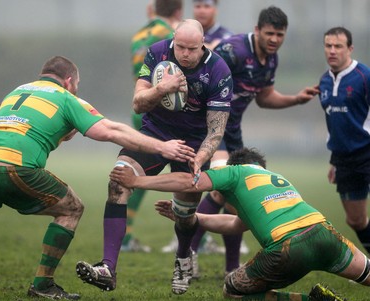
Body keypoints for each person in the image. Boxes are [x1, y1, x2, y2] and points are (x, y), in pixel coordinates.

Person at [0, 55, 196, 300]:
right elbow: (111, 130)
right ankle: (43, 285)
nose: (76, 89)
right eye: (76, 85)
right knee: (71, 208)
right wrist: (162, 148)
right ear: (69, 81)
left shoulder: (18, 91)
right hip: (15, 167)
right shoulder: (67, 98)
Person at [76, 19, 233, 295]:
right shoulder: (157, 52)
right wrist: (162, 88)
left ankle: (183, 256)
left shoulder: (219, 71)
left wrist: (201, 157)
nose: (185, 54)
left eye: (192, 49)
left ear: (203, 44)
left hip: (194, 144)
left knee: (184, 215)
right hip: (154, 134)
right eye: (180, 47)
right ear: (173, 39)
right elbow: (138, 103)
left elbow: (216, 129)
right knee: (117, 183)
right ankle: (107, 268)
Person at [110, 147, 368, 301]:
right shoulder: (275, 178)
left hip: (288, 246)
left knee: (232, 290)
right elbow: (236, 224)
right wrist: (195, 218)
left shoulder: (236, 172)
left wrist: (137, 182)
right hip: (324, 232)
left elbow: (189, 181)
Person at [185, 5, 320, 279]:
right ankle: (188, 255)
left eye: (280, 35)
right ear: (257, 30)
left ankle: (230, 267)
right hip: (208, 129)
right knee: (222, 188)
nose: (274, 40)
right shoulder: (233, 51)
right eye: (269, 33)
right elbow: (200, 77)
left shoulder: (270, 60)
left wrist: (295, 98)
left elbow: (264, 97)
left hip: (232, 132)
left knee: (238, 197)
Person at [161, 0, 237, 256]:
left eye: (208, 5)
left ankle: (216, 248)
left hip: (220, 121)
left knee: (223, 183)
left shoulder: (227, 40)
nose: (202, 9)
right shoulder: (177, 39)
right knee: (213, 183)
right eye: (198, 5)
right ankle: (192, 240)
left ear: (216, 8)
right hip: (189, 127)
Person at [125, 0, 183, 253]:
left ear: (153, 9)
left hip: (141, 106)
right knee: (186, 170)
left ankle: (125, 236)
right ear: (179, 12)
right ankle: (196, 237)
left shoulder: (139, 35)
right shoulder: (172, 35)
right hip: (166, 111)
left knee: (137, 173)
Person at [318, 26, 370, 255]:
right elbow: (334, 124)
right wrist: (334, 160)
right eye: (328, 45)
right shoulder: (324, 82)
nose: (332, 50)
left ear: (350, 48)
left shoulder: (364, 77)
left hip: (367, 151)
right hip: (344, 159)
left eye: (338, 46)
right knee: (356, 220)